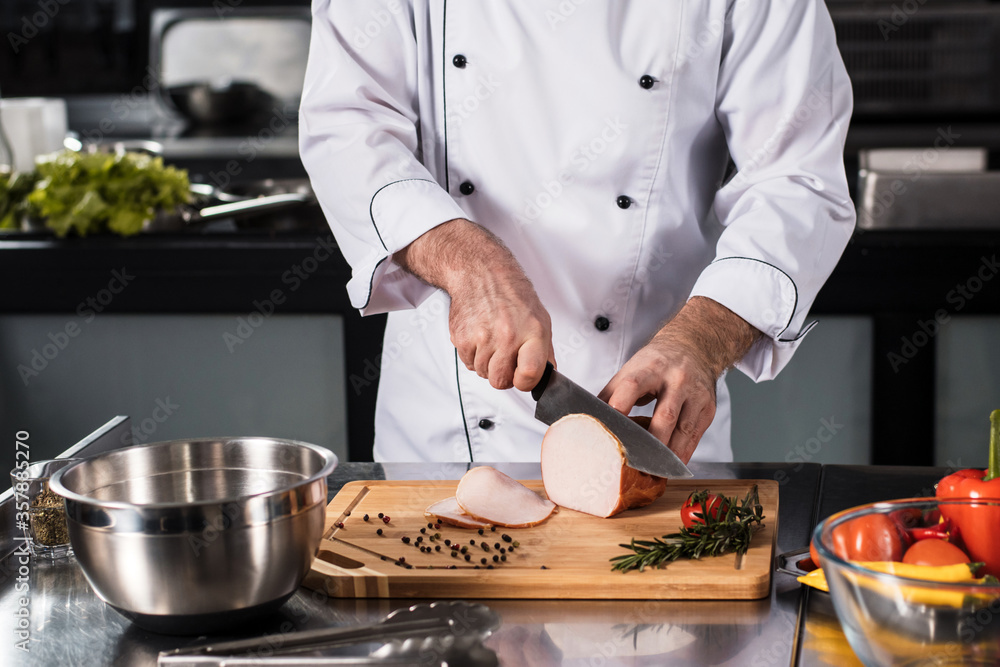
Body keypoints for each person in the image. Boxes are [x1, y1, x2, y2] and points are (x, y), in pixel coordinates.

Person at [299, 1, 855, 464]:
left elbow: (797, 178)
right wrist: (469, 265)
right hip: (446, 430)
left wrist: (705, 336)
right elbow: (348, 127)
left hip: (656, 415)